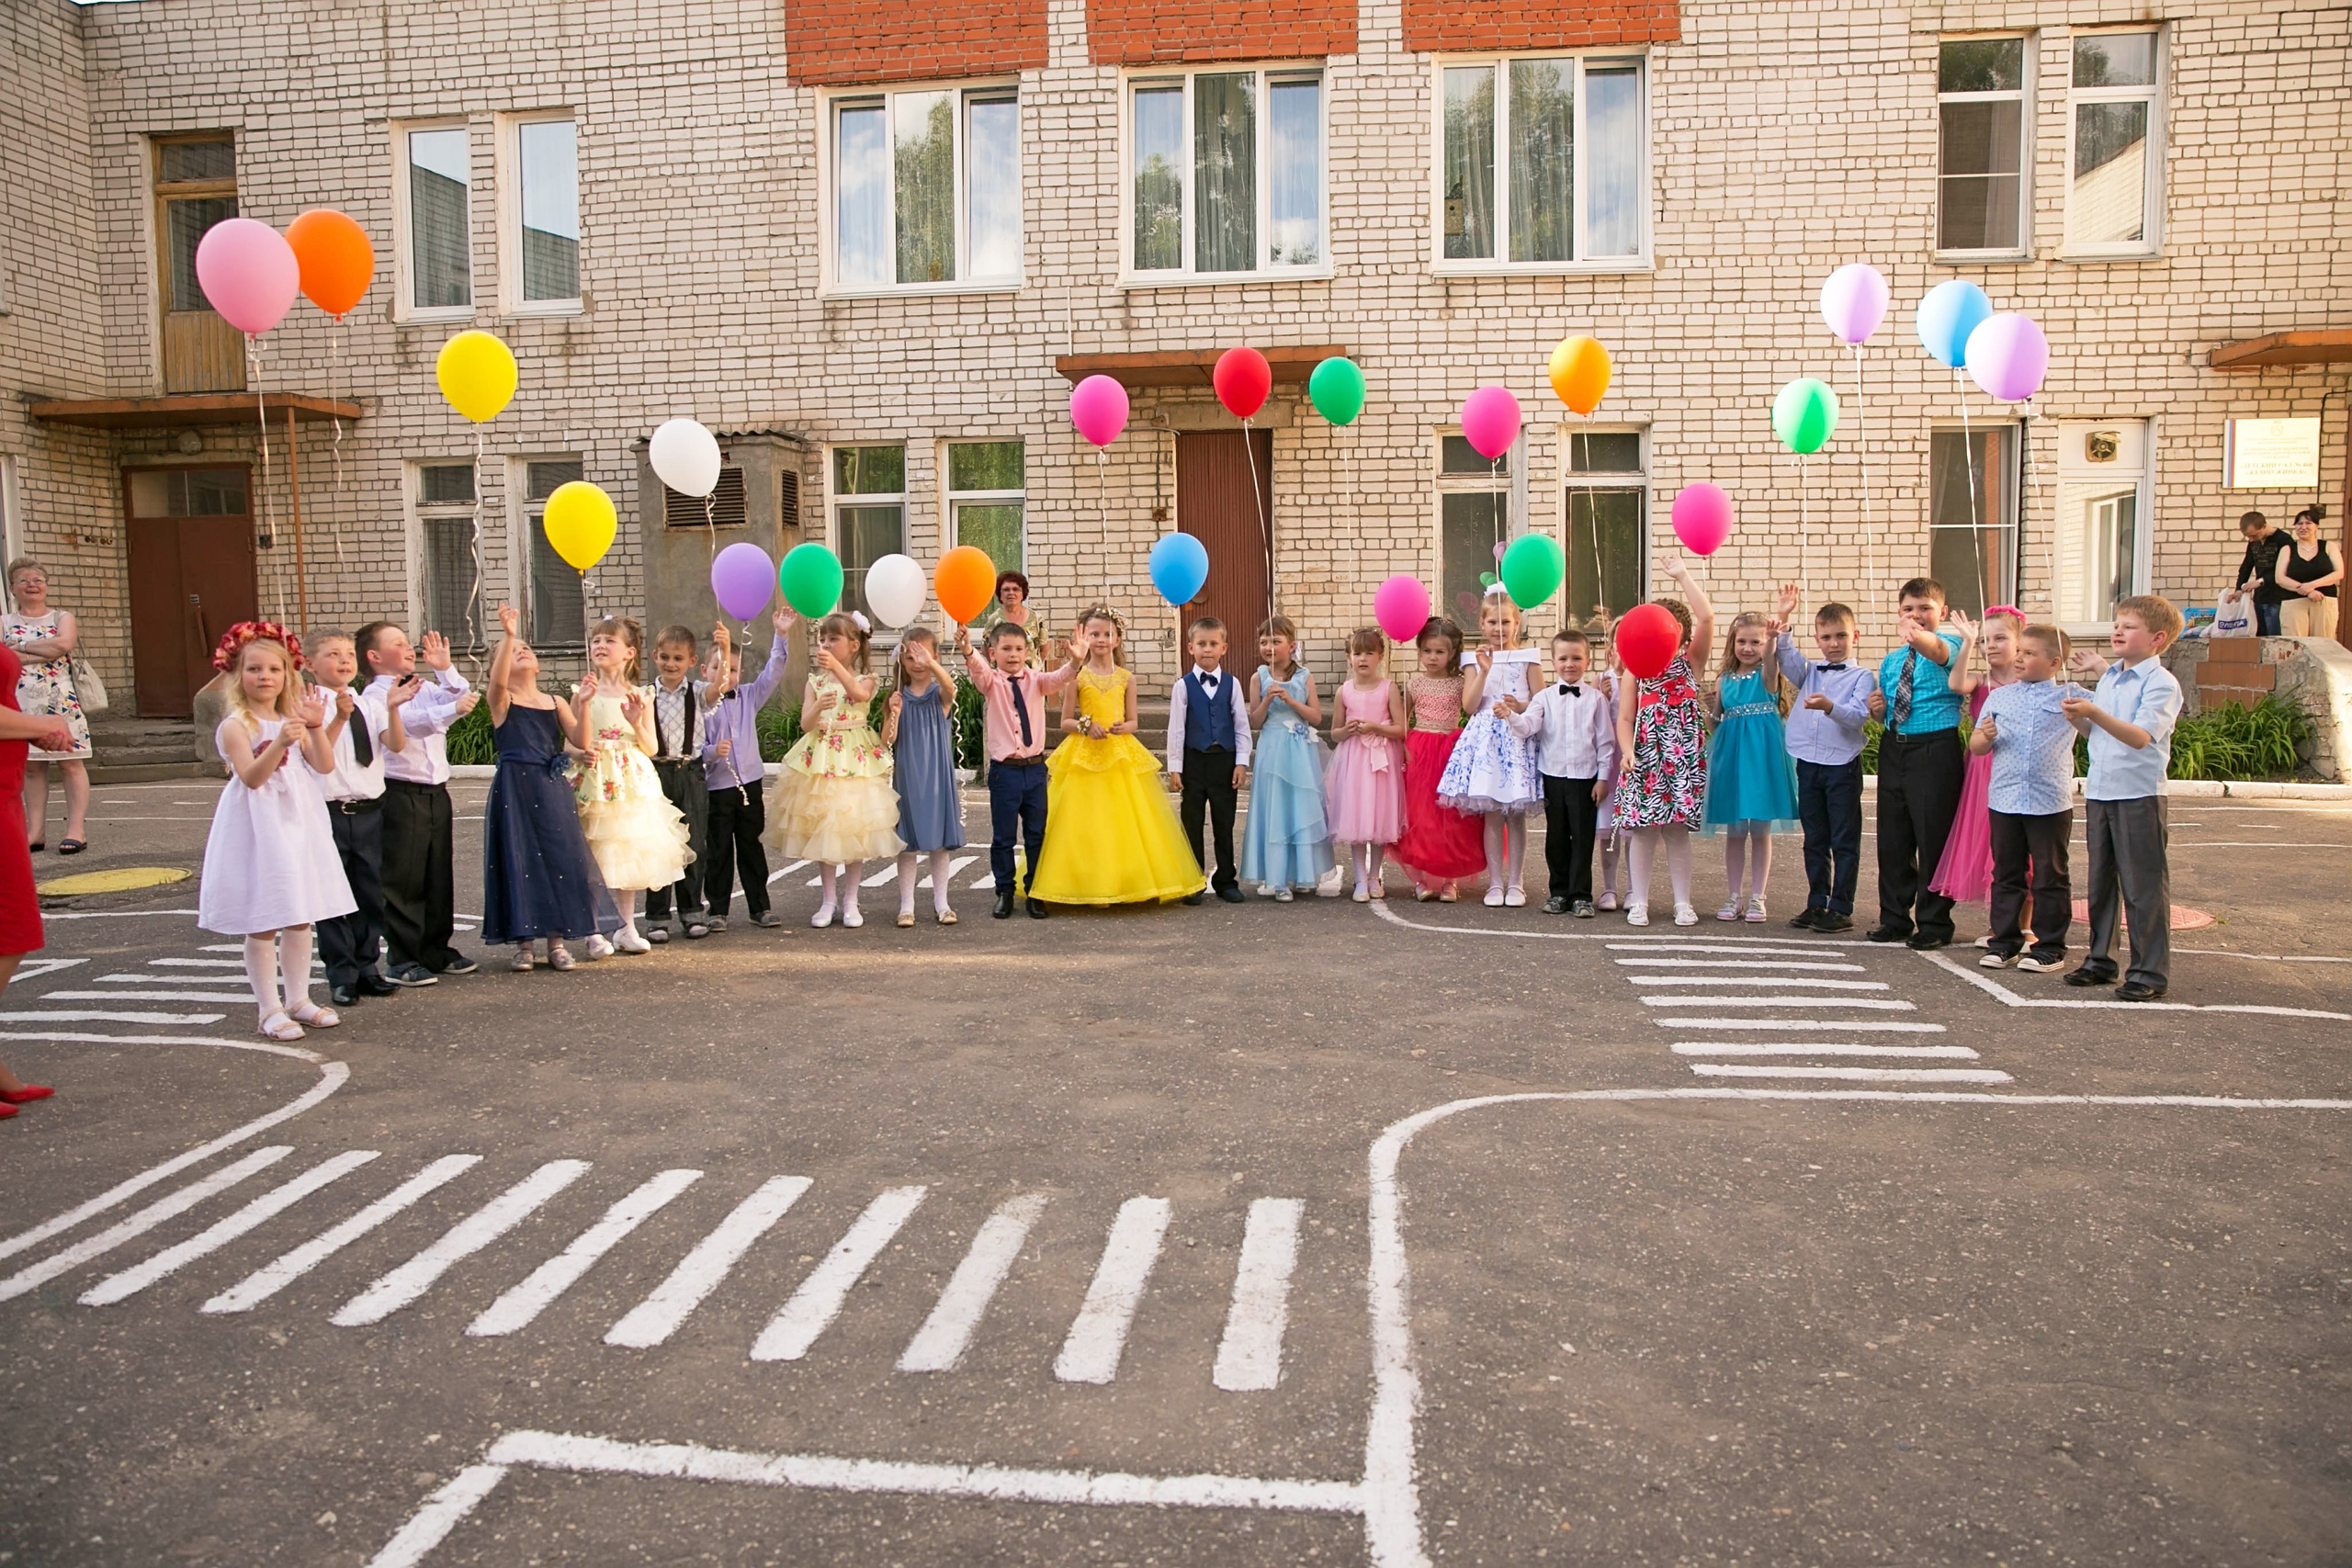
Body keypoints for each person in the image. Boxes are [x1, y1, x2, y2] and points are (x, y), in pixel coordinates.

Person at [197, 623, 356, 1041]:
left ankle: (299, 998)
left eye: (274, 669)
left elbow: (323, 766)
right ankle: (269, 1007)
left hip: (299, 821)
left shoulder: (293, 718)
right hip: (260, 826)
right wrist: (280, 744)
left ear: (288, 675)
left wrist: (318, 726)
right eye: (254, 669)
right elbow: (250, 777)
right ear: (238, 675)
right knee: (266, 917)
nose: (264, 676)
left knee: (300, 915)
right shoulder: (237, 725)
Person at [1029, 606, 1204, 907]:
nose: (1100, 639)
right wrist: (1087, 726)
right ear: (1084, 636)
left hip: (1119, 752)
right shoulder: (1077, 676)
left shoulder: (1126, 678)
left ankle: (1126, 879)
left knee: (1124, 821)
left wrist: (1126, 727)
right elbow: (1065, 720)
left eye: (1107, 634)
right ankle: (1084, 881)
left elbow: (1134, 721)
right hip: (1084, 755)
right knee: (1085, 822)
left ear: (1117, 639)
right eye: (1094, 633)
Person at [2063, 595, 2185, 1002]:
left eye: (2129, 626)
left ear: (2157, 638)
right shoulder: (2112, 677)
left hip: (2139, 794)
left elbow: (2138, 737)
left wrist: (2094, 713)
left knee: (2142, 886)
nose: (2117, 631)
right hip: (2102, 790)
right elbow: (2099, 735)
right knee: (2101, 883)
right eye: (2117, 623)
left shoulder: (2160, 683)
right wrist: (2080, 719)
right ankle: (2101, 961)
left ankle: (2149, 971)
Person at [482, 605, 607, 972]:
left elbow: (581, 740)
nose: (523, 650)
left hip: (551, 787)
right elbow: (499, 683)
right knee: (519, 859)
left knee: (560, 857)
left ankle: (556, 942)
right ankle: (523, 943)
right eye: (513, 650)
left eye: (526, 648)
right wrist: (507, 634)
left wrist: (582, 704)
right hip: (514, 791)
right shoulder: (503, 701)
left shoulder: (553, 702)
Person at [361, 622, 481, 986]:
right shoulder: (374, 696)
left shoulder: (423, 686)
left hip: (435, 791)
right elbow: (412, 724)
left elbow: (459, 696)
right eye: (397, 643)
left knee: (436, 873)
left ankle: (436, 949)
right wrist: (452, 709)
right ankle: (403, 957)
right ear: (375, 656)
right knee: (404, 878)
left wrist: (444, 668)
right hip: (401, 792)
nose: (408, 648)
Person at [766, 611, 900, 928]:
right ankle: (828, 900)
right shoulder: (815, 682)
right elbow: (805, 723)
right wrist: (817, 707)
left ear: (854, 645)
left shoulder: (866, 677)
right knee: (825, 829)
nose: (825, 645)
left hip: (854, 756)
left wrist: (837, 669)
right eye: (822, 639)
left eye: (833, 639)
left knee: (854, 829)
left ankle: (852, 900)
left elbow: (860, 694)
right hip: (823, 755)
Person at [1866, 579, 1979, 949]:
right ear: (1899, 613)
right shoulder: (1892, 660)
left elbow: (1936, 650)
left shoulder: (1950, 645)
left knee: (1932, 836)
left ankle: (1933, 921)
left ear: (1942, 613)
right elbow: (1888, 710)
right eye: (1909, 609)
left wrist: (1917, 635)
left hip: (1934, 749)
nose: (1916, 616)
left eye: (1925, 608)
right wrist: (1879, 712)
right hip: (1895, 747)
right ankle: (1894, 917)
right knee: (1893, 838)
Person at [309, 632, 418, 1007]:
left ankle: (368, 967)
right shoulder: (309, 705)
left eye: (346, 654)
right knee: (334, 896)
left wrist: (393, 708)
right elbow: (314, 753)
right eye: (331, 654)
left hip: (369, 810)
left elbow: (396, 744)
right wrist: (337, 718)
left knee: (370, 893)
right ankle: (342, 974)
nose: (343, 661)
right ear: (310, 664)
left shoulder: (368, 704)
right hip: (330, 811)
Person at [572, 616, 694, 951]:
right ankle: (593, 930)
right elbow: (570, 743)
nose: (600, 646)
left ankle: (626, 927)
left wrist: (636, 722)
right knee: (596, 856)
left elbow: (652, 747)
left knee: (626, 850)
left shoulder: (641, 694)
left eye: (609, 641)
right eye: (596, 641)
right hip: (596, 779)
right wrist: (581, 751)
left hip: (632, 779)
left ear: (629, 653)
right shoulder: (583, 692)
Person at [0, 638, 82, 1121]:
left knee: (12, 930)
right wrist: (41, 724)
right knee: (11, 928)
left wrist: (25, 732)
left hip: (6, 788)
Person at [1609, 558, 1715, 927]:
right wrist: (1626, 751)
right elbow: (1625, 718)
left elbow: (1707, 618)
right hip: (1645, 760)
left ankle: (1682, 902)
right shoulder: (1636, 670)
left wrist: (1683, 576)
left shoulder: (1691, 663)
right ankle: (1638, 900)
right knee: (1643, 831)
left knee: (1676, 831)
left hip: (1683, 759)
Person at [1969, 624, 2079, 973]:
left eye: (2029, 654)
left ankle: (2049, 946)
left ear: (2054, 663)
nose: (2019, 658)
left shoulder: (2071, 696)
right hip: (2004, 799)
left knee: (2050, 874)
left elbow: (2102, 721)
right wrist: (1985, 737)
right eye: (2020, 651)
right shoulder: (1999, 696)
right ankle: (2004, 942)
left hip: (2049, 801)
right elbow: (1976, 746)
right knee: (2006, 873)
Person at [956, 619, 1078, 919]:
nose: (1013, 654)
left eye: (1019, 649)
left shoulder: (1037, 680)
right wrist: (969, 651)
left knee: (1036, 833)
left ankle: (1035, 890)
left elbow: (1061, 677)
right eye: (1006, 649)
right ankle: (1005, 891)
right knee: (1004, 836)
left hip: (1034, 770)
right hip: (1005, 772)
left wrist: (1076, 659)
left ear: (1028, 651)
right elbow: (979, 670)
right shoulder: (992, 683)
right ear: (993, 652)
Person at [1772, 592, 1877, 932]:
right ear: (1817, 639)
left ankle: (1841, 906)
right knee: (1814, 836)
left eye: (1841, 636)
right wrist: (1784, 618)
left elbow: (1858, 717)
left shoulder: (1862, 677)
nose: (1834, 644)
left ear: (1855, 636)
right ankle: (1817, 901)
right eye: (1827, 637)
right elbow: (1786, 660)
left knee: (1843, 837)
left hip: (1841, 764)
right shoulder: (1811, 671)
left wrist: (1830, 706)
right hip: (1809, 762)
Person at [1500, 626, 1616, 916]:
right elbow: (1528, 727)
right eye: (1563, 658)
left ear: (1587, 662)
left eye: (1576, 658)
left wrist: (1603, 778)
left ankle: (1581, 895)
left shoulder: (1596, 699)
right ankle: (1559, 892)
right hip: (1553, 777)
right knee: (1556, 838)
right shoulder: (1544, 698)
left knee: (1583, 837)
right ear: (1554, 662)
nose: (1569, 664)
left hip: (1585, 779)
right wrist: (1511, 716)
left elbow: (1605, 741)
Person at [1440, 588, 1545, 907]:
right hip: (1485, 741)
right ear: (1482, 624)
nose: (1499, 629)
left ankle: (1517, 882)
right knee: (1492, 816)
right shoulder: (1473, 660)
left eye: (1506, 622)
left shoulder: (1528, 658)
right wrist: (1485, 671)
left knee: (1515, 816)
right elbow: (1470, 706)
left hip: (1517, 738)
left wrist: (1522, 704)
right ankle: (1495, 882)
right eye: (1492, 622)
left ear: (1517, 624)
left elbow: (1542, 701)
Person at [1928, 606, 2026, 921]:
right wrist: (1968, 643)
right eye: (1986, 640)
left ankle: (2025, 924)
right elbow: (1956, 685)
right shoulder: (1981, 680)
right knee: (1988, 845)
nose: (1991, 646)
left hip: (2017, 765)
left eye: (2000, 638)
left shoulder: (2028, 680)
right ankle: (2000, 923)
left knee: (2020, 847)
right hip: (1982, 767)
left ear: (2019, 639)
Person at [702, 605, 795, 931]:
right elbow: (694, 748)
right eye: (719, 667)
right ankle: (717, 910)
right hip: (717, 788)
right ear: (704, 670)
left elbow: (774, 670)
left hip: (750, 786)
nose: (728, 674)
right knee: (719, 851)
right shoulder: (701, 705)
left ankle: (760, 907)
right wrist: (713, 752)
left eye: (734, 669)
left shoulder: (749, 697)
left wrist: (781, 635)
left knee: (751, 847)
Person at [1702, 609, 1799, 921]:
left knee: (1759, 828)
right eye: (1741, 641)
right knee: (1735, 829)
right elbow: (1716, 725)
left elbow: (1771, 659)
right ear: (1732, 644)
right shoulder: (1725, 680)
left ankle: (1758, 896)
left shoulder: (1767, 675)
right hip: (1731, 756)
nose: (1747, 648)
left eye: (1754, 642)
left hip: (1761, 756)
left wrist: (1773, 635)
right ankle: (1733, 896)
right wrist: (1709, 710)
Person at [643, 623, 731, 942]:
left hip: (690, 773)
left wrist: (724, 645)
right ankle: (656, 916)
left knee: (693, 844)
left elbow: (720, 686)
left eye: (678, 658)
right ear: (655, 656)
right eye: (665, 657)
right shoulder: (645, 695)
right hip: (656, 774)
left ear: (692, 661)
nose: (671, 664)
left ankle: (692, 912)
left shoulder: (696, 692)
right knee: (659, 845)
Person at [1241, 615, 1334, 900]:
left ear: (1291, 645)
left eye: (1276, 641)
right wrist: (1268, 699)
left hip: (1299, 749)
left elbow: (1316, 716)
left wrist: (1291, 701)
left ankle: (1305, 874)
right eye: (1264, 642)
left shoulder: (1305, 676)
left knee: (1301, 807)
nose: (1269, 647)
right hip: (1272, 748)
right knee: (1276, 809)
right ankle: (1278, 878)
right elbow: (1254, 720)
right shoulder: (1259, 677)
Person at [1392, 616, 1485, 903]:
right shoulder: (1414, 684)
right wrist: (1402, 748)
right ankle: (1422, 879)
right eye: (1427, 651)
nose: (1432, 657)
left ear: (1452, 654)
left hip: (1449, 750)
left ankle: (1450, 880)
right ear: (1419, 651)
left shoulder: (1459, 684)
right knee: (1420, 816)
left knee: (1452, 817)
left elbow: (1472, 708)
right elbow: (1401, 719)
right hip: (1420, 750)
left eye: (1440, 652)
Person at [4, 558, 93, 855]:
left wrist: (21, 649)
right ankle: (35, 831)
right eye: (24, 580)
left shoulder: (61, 617)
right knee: (32, 767)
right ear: (13, 588)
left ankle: (75, 830)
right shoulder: (4, 622)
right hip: (20, 702)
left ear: (47, 586)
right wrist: (44, 650)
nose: (32, 584)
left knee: (70, 763)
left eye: (38, 579)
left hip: (60, 702)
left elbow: (63, 645)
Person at [1165, 615, 1252, 906]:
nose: (1207, 649)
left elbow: (1241, 724)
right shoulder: (1183, 686)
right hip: (1193, 762)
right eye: (1201, 644)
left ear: (1224, 648)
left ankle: (1226, 880)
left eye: (1213, 644)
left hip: (1224, 762)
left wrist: (1241, 762)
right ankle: (1192, 881)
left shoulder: (1233, 684)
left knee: (1224, 823)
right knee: (1191, 823)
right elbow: (1176, 729)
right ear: (1190, 648)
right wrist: (1175, 768)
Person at [882, 626, 965, 928]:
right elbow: (886, 741)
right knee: (907, 842)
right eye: (910, 657)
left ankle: (942, 903)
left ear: (935, 656)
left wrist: (931, 664)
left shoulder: (937, 696)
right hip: (908, 777)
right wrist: (893, 713)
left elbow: (951, 689)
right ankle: (907, 905)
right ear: (901, 662)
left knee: (939, 843)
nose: (917, 663)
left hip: (936, 778)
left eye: (923, 656)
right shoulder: (898, 696)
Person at [1325, 627, 1408, 902]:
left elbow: (1400, 729)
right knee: (1357, 819)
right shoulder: (1344, 691)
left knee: (1379, 818)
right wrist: (1347, 731)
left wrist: (1375, 727)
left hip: (1381, 762)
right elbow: (1334, 733)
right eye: (1357, 653)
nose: (1362, 658)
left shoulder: (1388, 688)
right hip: (1354, 761)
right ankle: (1360, 877)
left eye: (1369, 653)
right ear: (1349, 657)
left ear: (1380, 657)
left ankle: (1375, 875)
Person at [1592, 619, 1630, 911]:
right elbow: (1592, 723)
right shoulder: (1600, 680)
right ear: (1610, 649)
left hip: (1631, 758)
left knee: (1631, 830)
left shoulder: (1641, 679)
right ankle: (1609, 887)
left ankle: (1633, 887)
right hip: (1608, 760)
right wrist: (1602, 697)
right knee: (1606, 830)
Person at [2274, 507, 2341, 640]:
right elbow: (2280, 578)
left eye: (2308, 523)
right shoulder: (2287, 549)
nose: (2303, 527)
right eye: (2299, 524)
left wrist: (2312, 585)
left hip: (2324, 600)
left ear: (2316, 526)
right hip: (2294, 601)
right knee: (2295, 644)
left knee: (2324, 643)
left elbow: (2339, 573)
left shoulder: (2328, 546)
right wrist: (2307, 591)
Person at [2225, 510, 2290, 637]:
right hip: (2260, 597)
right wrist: (2239, 589)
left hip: (2277, 597)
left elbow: (2286, 570)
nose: (2251, 540)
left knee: (2274, 637)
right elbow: (2246, 566)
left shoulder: (2283, 540)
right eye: (2248, 537)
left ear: (2264, 527)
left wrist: (2260, 581)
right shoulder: (2253, 542)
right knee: (2259, 635)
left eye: (2254, 535)